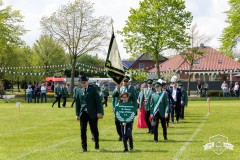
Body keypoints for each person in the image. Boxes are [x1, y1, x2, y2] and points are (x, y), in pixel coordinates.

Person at [75, 75, 103, 152]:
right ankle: (84, 147)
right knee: (82, 130)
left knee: (94, 129)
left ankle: (96, 143)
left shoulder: (93, 89)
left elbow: (98, 101)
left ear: (87, 82)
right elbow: (77, 103)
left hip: (93, 113)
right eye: (82, 83)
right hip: (83, 113)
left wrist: (99, 112)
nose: (83, 84)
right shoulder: (78, 90)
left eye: (84, 82)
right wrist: (77, 114)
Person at [112, 76, 137, 141]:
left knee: (128, 122)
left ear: (128, 82)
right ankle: (120, 135)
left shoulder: (131, 88)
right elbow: (113, 96)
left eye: (126, 81)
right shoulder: (118, 87)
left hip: (127, 108)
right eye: (123, 81)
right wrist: (117, 89)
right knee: (117, 122)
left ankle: (127, 136)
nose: (125, 82)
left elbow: (134, 99)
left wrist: (134, 108)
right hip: (119, 108)